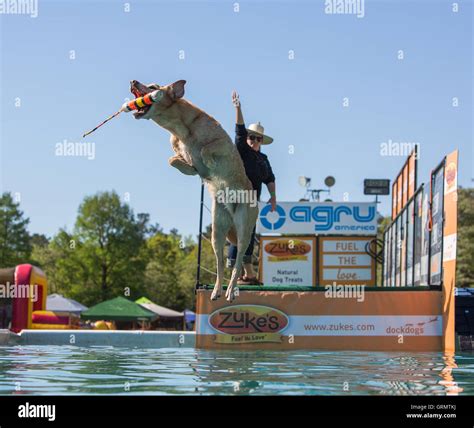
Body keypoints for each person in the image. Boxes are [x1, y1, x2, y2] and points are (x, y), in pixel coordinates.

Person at [228, 91, 276, 285]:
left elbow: (270, 178)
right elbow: (239, 129)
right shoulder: (242, 149)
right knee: (237, 234)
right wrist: (238, 107)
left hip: (252, 202)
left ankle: (246, 272)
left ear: (262, 141)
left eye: (258, 138)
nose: (254, 140)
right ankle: (239, 271)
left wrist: (273, 197)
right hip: (236, 197)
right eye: (252, 137)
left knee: (247, 234)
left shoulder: (263, 159)